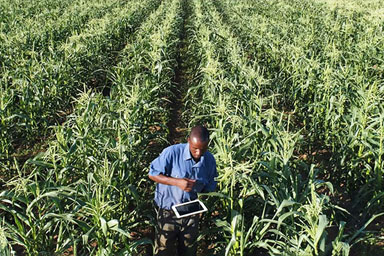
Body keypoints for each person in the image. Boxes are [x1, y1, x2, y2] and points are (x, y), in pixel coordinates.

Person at [148, 125, 217, 256]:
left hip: (191, 212)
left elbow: (211, 186)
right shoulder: (172, 153)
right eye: (195, 148)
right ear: (188, 141)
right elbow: (152, 174)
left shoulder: (209, 160)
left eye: (203, 149)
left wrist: (203, 195)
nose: (198, 153)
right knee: (164, 249)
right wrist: (176, 181)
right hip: (168, 212)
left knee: (188, 250)